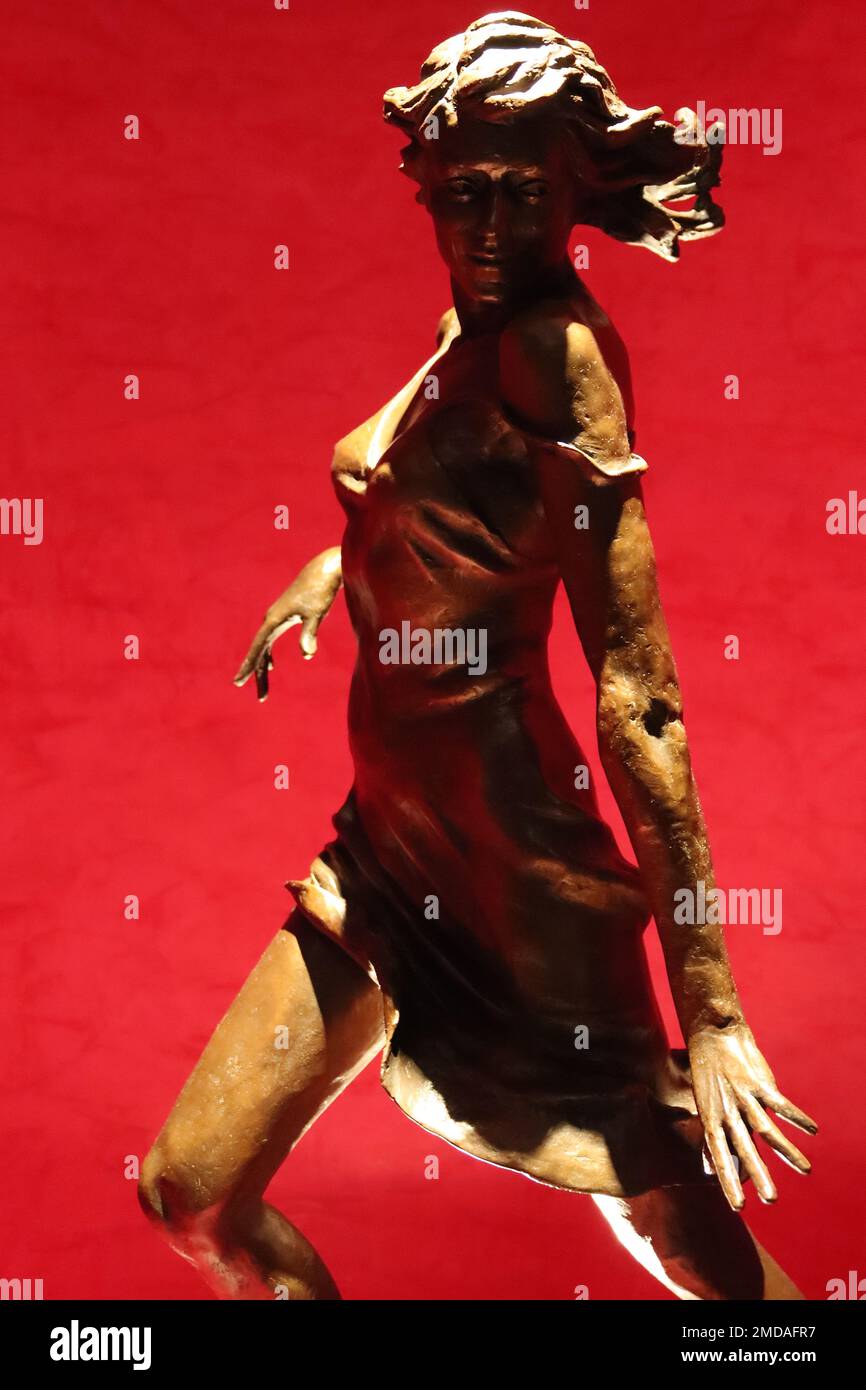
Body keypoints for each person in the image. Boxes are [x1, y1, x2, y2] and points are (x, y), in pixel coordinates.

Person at [139, 12, 816, 1300]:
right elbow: (437, 481)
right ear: (428, 188)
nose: (491, 223)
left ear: (580, 185)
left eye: (525, 189)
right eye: (463, 190)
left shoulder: (562, 358)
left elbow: (643, 696)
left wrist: (714, 1010)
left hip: (516, 867)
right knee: (188, 1191)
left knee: (687, 1246)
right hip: (386, 847)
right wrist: (343, 562)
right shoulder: (480, 333)